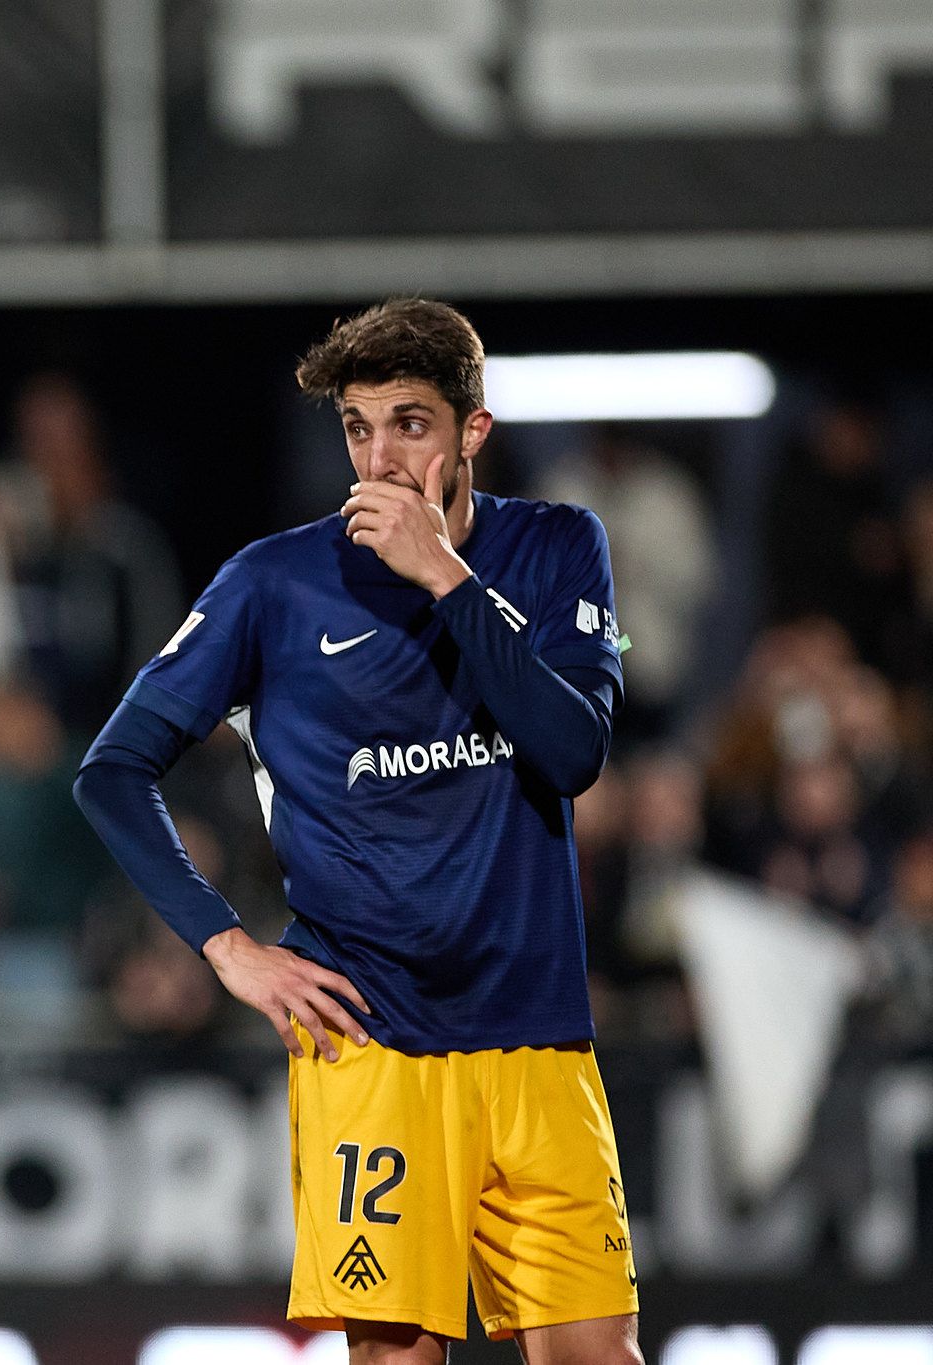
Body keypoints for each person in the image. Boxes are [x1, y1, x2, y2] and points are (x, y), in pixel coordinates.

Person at [75, 298, 639, 1365]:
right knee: (392, 1360)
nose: (376, 457)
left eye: (409, 425)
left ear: (473, 429)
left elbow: (572, 754)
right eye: (355, 427)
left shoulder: (559, 547)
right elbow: (111, 771)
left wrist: (446, 579)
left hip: (537, 1040)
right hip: (368, 1042)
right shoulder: (272, 583)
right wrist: (226, 948)